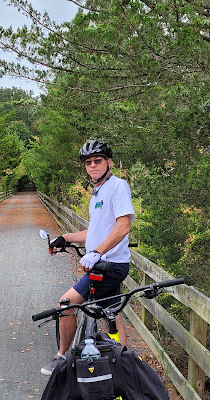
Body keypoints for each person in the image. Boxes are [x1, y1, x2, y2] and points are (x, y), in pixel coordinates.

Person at [41, 139, 136, 376]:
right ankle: (124, 366)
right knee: (112, 315)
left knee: (66, 304)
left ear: (109, 162)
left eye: (98, 160)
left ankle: (61, 357)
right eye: (88, 162)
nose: (92, 165)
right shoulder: (97, 193)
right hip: (105, 263)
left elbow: (123, 227)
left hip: (110, 265)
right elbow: (93, 233)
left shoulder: (118, 186)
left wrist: (97, 252)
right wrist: (65, 237)